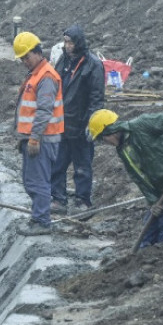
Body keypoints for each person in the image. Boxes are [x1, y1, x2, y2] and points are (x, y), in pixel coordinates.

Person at [87, 108, 163, 248]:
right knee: (148, 229)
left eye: (103, 137)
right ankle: (143, 257)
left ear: (111, 130)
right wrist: (153, 201)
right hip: (159, 189)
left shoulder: (142, 125)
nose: (104, 141)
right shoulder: (122, 148)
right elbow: (138, 177)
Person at [50, 25, 106, 213]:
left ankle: (83, 202)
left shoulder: (93, 65)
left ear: (78, 43)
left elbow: (97, 98)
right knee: (57, 164)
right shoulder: (63, 62)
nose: (67, 46)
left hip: (81, 126)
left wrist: (92, 123)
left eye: (70, 42)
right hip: (62, 124)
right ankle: (58, 200)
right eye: (65, 42)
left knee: (82, 167)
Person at [12, 31, 63, 236]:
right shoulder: (35, 74)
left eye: (26, 56)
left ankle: (42, 221)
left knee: (38, 181)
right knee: (30, 180)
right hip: (33, 138)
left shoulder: (47, 77)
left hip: (42, 139)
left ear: (38, 52)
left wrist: (34, 137)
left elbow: (44, 110)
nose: (24, 61)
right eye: (22, 58)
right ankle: (38, 217)